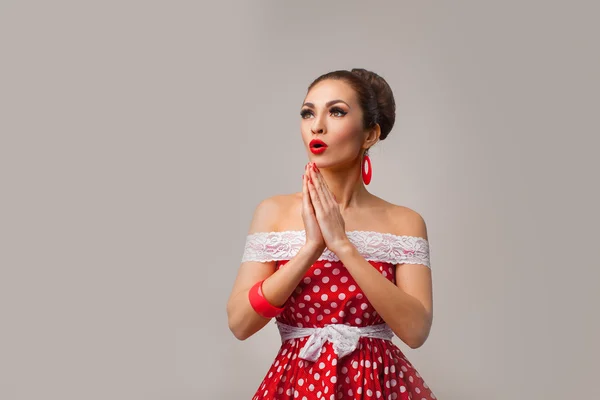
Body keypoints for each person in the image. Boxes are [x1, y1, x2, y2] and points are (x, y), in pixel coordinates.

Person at [226, 68, 436, 400]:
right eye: (308, 112)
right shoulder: (273, 213)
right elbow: (240, 323)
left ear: (369, 135)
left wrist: (343, 245)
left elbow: (415, 331)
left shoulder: (404, 222)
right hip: (297, 386)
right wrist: (311, 247)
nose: (317, 125)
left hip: (378, 386)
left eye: (336, 111)